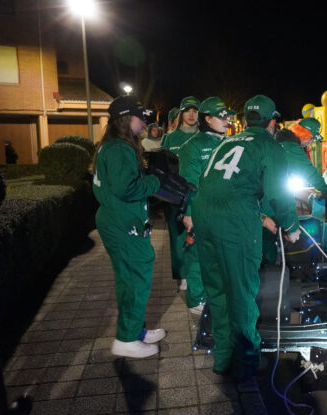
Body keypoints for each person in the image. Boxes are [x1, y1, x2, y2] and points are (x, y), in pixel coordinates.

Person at [193, 94, 300, 381]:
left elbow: (204, 181)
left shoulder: (226, 141)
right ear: (272, 122)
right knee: (241, 292)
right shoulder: (269, 146)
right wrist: (291, 227)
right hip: (234, 222)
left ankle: (223, 357)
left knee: (217, 290)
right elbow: (279, 193)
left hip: (203, 216)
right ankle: (246, 363)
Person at [91, 96, 167, 358]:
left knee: (129, 278)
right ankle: (126, 339)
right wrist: (155, 183)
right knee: (135, 279)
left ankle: (134, 330)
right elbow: (126, 188)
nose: (145, 122)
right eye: (140, 116)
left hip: (116, 219)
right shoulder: (119, 149)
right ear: (126, 118)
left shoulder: (111, 145)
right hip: (123, 222)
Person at [178, 97, 235, 314]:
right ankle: (196, 300)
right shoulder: (192, 146)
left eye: (227, 115)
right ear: (207, 118)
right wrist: (190, 213)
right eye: (221, 116)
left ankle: (216, 295)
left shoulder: (229, 142)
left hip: (225, 210)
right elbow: (188, 183)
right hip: (202, 209)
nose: (226, 119)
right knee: (197, 256)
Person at [261, 118, 327, 264]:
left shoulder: (277, 143)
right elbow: (311, 174)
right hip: (269, 202)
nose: (312, 142)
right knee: (268, 245)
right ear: (303, 134)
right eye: (312, 138)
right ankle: (270, 276)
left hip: (258, 200)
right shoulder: (292, 149)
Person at [161, 96, 200, 290]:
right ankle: (183, 274)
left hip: (198, 195)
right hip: (175, 197)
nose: (191, 114)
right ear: (181, 113)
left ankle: (198, 272)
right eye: (187, 110)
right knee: (178, 237)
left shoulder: (203, 136)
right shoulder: (170, 138)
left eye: (195, 110)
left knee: (199, 235)